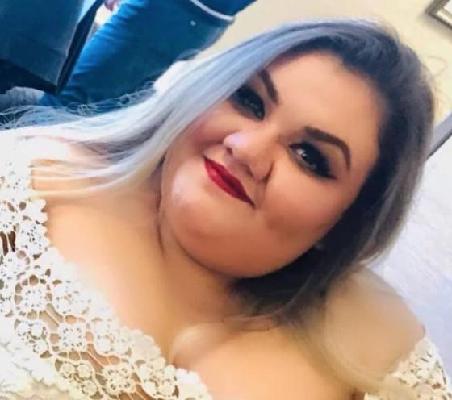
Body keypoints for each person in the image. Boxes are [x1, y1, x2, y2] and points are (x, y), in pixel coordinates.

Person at [0, 19, 451, 400]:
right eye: (250, 102)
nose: (247, 149)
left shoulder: (383, 346)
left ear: (348, 222)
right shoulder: (34, 184)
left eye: (308, 156)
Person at [39, 0, 257, 110]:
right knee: (106, 109)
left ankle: (25, 171)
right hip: (207, 19)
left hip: (174, 12)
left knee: (67, 104)